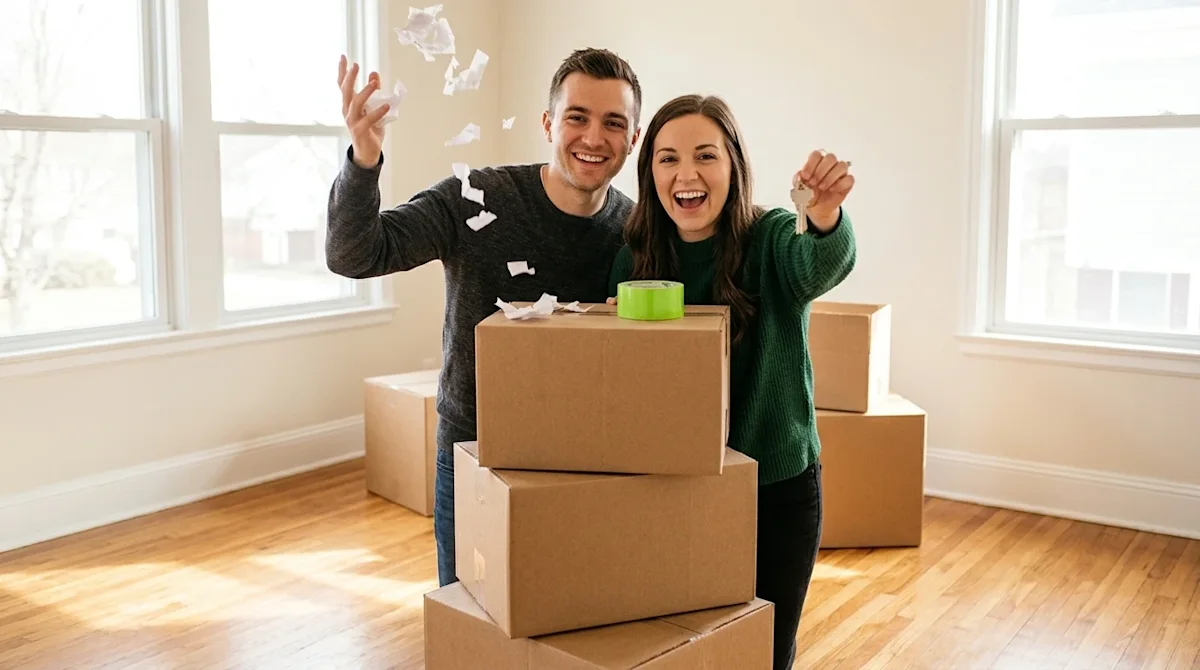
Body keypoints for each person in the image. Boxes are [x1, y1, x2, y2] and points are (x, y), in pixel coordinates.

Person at [327, 48, 644, 587]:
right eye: (576, 117)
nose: (594, 138)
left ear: (632, 139)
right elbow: (356, 254)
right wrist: (363, 159)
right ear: (548, 124)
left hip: (587, 456)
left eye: (614, 123)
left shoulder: (638, 233)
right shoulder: (476, 199)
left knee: (569, 609)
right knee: (471, 616)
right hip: (476, 448)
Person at [606, 94, 856, 670]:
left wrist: (824, 216)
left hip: (775, 488)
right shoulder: (633, 261)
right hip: (673, 490)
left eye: (704, 156)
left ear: (733, 165)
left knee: (763, 654)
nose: (686, 175)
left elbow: (820, 264)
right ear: (650, 173)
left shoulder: (771, 238)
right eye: (667, 159)